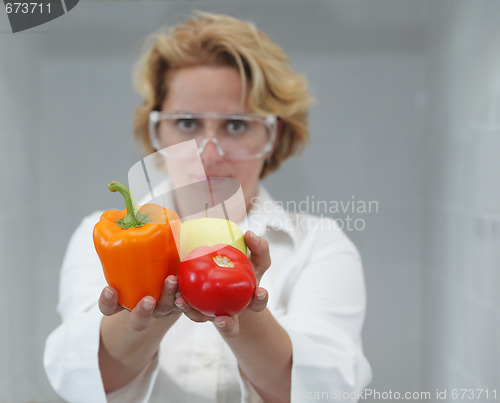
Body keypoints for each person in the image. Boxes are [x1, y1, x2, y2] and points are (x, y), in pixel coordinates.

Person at [44, 11, 372, 403]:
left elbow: (327, 392)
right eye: (185, 123)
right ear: (156, 133)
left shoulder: (319, 245)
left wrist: (243, 307)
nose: (208, 154)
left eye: (235, 125)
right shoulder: (100, 236)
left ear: (272, 136)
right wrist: (149, 302)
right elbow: (79, 380)